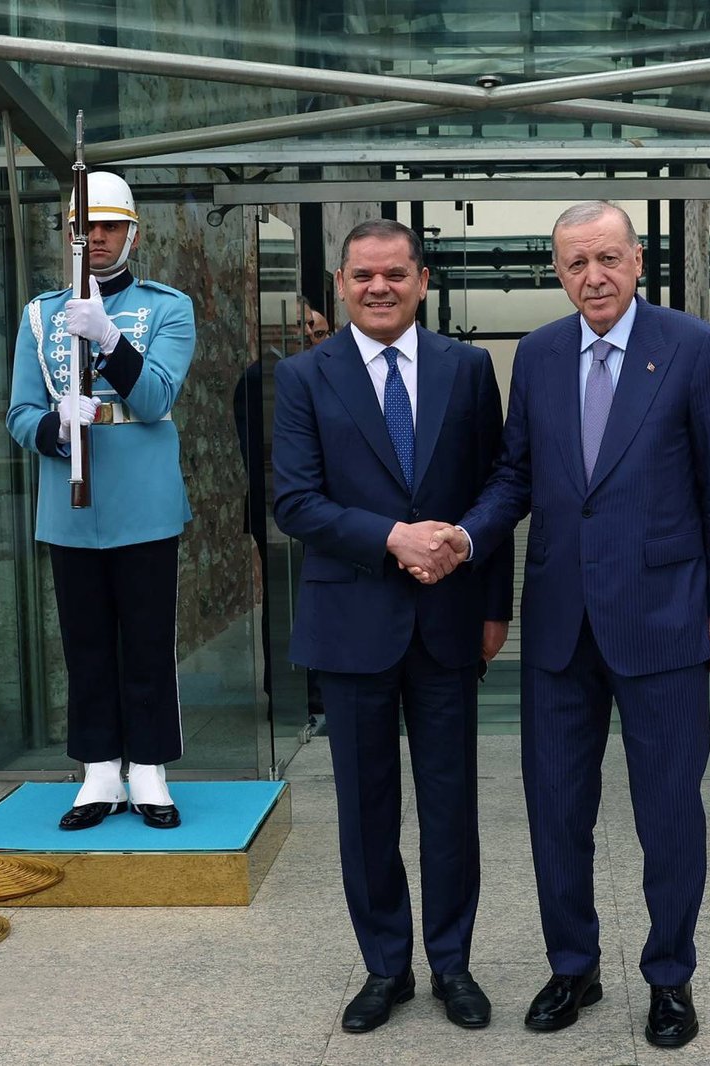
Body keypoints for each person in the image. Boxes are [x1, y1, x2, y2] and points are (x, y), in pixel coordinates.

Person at [431, 201, 710, 1049]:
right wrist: (467, 537)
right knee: (556, 811)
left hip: (665, 619)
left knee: (668, 813)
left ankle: (670, 977)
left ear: (638, 261)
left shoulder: (691, 346)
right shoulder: (537, 355)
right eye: (576, 263)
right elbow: (515, 476)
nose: (593, 276)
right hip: (561, 625)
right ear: (559, 272)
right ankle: (573, 966)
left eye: (608, 258)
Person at [270, 219, 512, 1034]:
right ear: (341, 283)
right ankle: (385, 968)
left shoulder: (467, 369)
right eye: (364, 275)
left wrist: (494, 605)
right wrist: (392, 539)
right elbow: (294, 500)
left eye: (396, 274)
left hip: (448, 622)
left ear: (423, 280)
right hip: (352, 624)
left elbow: (497, 487)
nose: (380, 288)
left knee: (450, 805)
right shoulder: (304, 376)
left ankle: (452, 965)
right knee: (366, 807)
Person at [7, 172, 195, 832]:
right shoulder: (39, 315)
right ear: (68, 234)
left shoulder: (168, 307)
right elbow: (18, 413)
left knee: (147, 640)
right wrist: (57, 426)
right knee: (84, 642)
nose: (97, 238)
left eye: (110, 226)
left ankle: (149, 767)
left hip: (143, 497)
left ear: (132, 235)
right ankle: (99, 770)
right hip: (72, 502)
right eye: (85, 227)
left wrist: (111, 341)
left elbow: (156, 397)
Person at [233, 299, 331, 731]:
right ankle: (290, 694)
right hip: (282, 511)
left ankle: (319, 686)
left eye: (319, 331)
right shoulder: (261, 379)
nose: (310, 336)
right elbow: (262, 458)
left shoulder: (322, 374)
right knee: (285, 602)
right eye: (302, 327)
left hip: (323, 511)